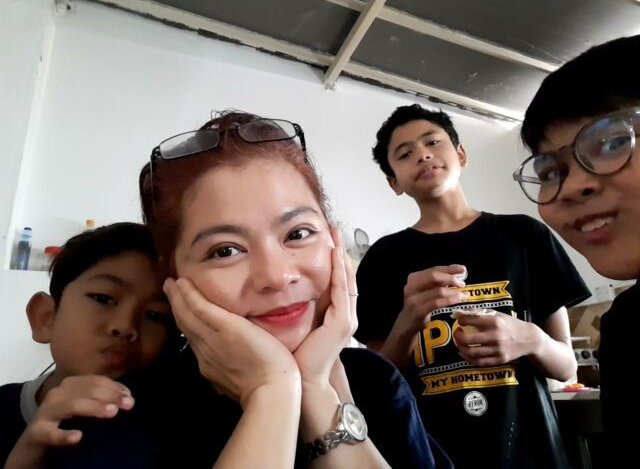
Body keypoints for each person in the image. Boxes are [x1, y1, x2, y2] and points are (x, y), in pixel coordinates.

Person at [42, 112, 451, 468]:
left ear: (333, 241)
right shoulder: (117, 410)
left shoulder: (376, 381)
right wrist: (272, 393)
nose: (277, 275)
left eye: (298, 233)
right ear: (174, 279)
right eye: (225, 250)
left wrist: (316, 392)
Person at [354, 104, 591, 468]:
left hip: (533, 455)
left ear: (461, 154)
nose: (423, 154)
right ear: (394, 182)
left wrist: (530, 338)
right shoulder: (382, 259)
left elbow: (565, 366)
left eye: (433, 142)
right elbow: (378, 382)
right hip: (432, 456)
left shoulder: (525, 236)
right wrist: (407, 322)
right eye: (404, 154)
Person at [516, 35, 640, 458]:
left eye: (613, 142)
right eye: (550, 172)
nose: (571, 187)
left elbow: (565, 361)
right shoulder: (626, 325)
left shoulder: (523, 239)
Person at [0, 222, 177, 468]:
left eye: (156, 315)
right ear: (46, 318)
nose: (126, 326)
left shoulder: (171, 430)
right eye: (103, 298)